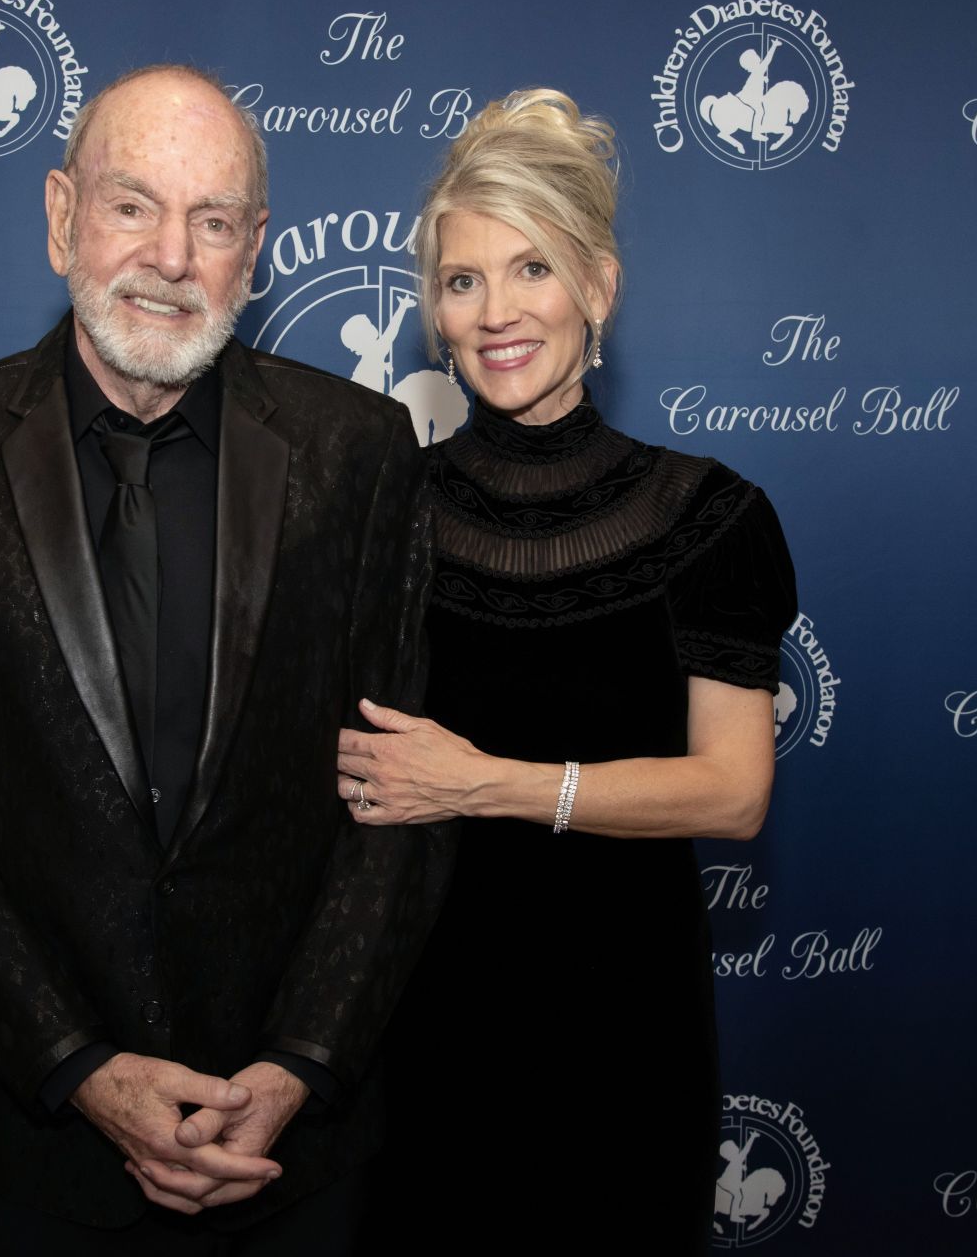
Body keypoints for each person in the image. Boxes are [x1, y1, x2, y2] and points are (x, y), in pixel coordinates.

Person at [0, 64, 452, 1253]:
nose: (171, 257)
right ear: (62, 213)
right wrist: (84, 1069)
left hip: (295, 1145)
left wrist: (300, 1061)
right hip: (48, 1139)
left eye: (212, 222)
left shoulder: (361, 452)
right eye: (133, 206)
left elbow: (400, 798)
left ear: (254, 250)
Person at [335, 89, 797, 1247]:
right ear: (435, 315)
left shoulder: (710, 516)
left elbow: (734, 791)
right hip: (419, 1034)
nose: (497, 311)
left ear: (599, 286)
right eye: (463, 280)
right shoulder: (381, 515)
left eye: (531, 268)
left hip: (624, 1032)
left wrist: (487, 781)